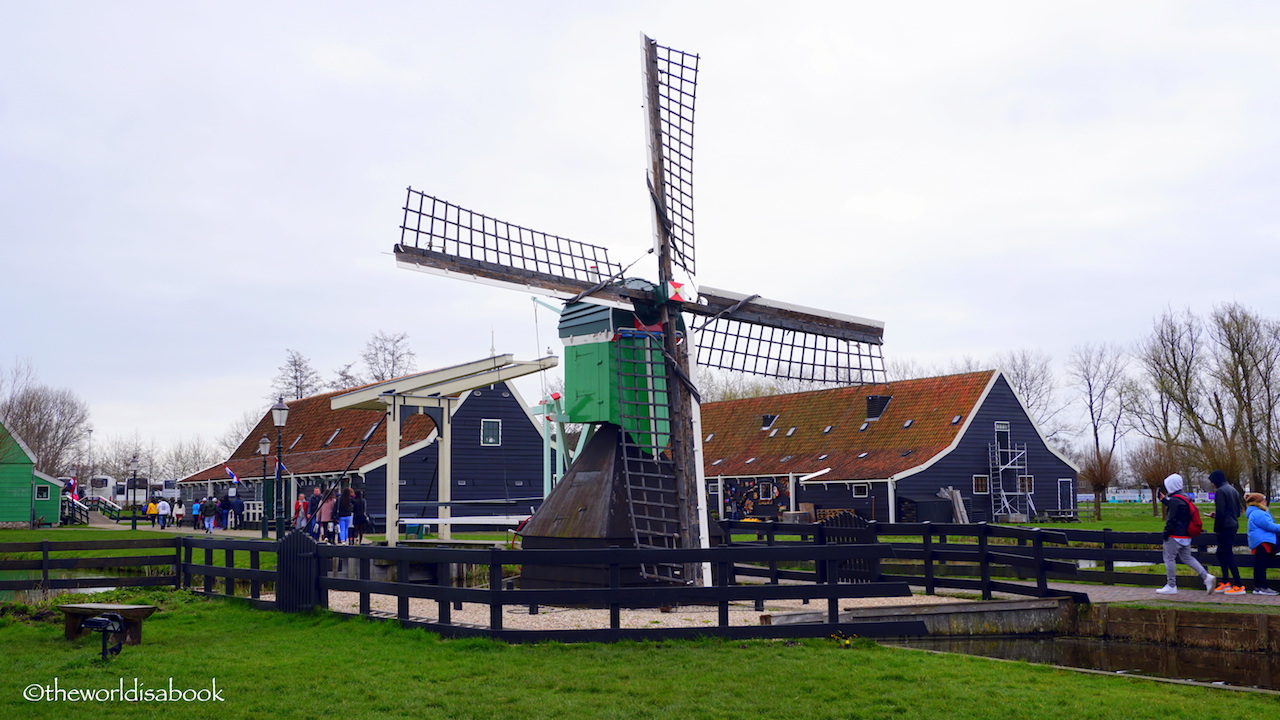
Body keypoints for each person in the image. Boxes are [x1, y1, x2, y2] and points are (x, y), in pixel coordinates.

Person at [1156, 473, 1215, 595]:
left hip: (1174, 536)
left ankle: (1171, 585)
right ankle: (1206, 577)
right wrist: (1165, 501)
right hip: (1185, 535)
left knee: (1169, 559)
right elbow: (1179, 509)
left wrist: (1165, 534)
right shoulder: (1185, 498)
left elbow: (1171, 519)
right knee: (1188, 558)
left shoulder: (1174, 500)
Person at [1207, 470, 1245, 594]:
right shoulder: (1233, 490)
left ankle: (1238, 585)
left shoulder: (1220, 492)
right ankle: (1225, 582)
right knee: (1221, 553)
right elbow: (1237, 512)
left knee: (1227, 554)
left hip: (1225, 527)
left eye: (1212, 482)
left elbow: (1222, 513)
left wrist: (1217, 529)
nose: (1212, 484)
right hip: (1233, 524)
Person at [1245, 493, 1280, 595]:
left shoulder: (1255, 513)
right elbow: (1269, 526)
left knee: (1259, 565)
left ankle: (1258, 587)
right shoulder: (1258, 513)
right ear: (1258, 502)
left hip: (1259, 541)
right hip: (1262, 542)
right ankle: (1263, 587)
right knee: (1261, 566)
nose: (1265, 502)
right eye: (1263, 500)